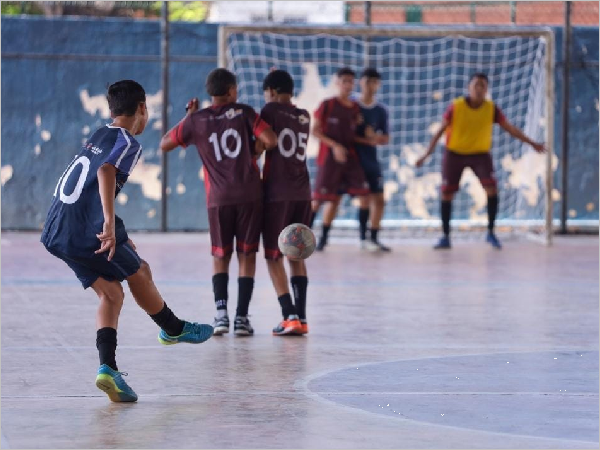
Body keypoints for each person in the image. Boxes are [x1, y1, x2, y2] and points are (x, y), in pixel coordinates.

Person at [41, 80, 213, 403]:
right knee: (141, 271)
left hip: (56, 228)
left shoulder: (99, 134)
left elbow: (90, 184)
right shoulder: (128, 142)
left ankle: (107, 369)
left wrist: (120, 232)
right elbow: (105, 172)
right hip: (85, 228)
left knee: (111, 293)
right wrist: (110, 225)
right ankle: (172, 327)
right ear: (142, 108)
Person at [160, 68, 277, 336]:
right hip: (249, 195)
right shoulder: (245, 112)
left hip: (218, 198)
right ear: (232, 90)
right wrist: (256, 149)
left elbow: (165, 143)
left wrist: (188, 116)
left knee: (220, 255)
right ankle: (241, 318)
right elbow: (270, 140)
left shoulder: (197, 120)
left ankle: (221, 316)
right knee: (247, 255)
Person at [416, 72, 546, 249]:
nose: (479, 89)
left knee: (492, 190)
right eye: (476, 85)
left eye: (482, 86)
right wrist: (426, 155)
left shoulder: (491, 108)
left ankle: (491, 233)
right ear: (469, 88)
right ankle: (445, 236)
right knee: (446, 193)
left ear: (487, 90)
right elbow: (439, 131)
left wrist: (532, 143)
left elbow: (510, 128)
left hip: (480, 155)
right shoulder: (456, 106)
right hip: (454, 154)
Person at [260, 69, 311, 335]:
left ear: (271, 92)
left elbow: (262, 144)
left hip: (278, 192)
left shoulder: (270, 110)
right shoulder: (304, 116)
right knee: (296, 252)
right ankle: (301, 318)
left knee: (273, 255)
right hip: (302, 191)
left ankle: (288, 316)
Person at [311, 67, 370, 251]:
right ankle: (303, 237)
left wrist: (371, 139)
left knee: (363, 196)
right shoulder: (327, 105)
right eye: (344, 81)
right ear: (337, 83)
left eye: (351, 81)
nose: (348, 85)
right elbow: (315, 131)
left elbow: (354, 136)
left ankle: (364, 239)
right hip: (329, 159)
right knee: (319, 200)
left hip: (350, 158)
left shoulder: (355, 108)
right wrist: (334, 146)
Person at [354, 68, 391, 252]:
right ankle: (362, 238)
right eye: (367, 81)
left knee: (380, 199)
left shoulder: (381, 110)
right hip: (353, 159)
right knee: (363, 198)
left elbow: (386, 138)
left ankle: (373, 237)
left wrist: (373, 138)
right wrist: (365, 138)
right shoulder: (352, 106)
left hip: (371, 159)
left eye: (374, 82)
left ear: (379, 85)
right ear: (361, 82)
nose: (370, 86)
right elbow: (345, 135)